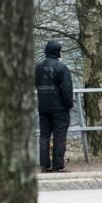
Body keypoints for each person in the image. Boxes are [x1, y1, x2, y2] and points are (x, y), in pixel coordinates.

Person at [35, 41, 74, 173]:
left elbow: (36, 85)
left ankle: (44, 165)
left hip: (43, 107)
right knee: (59, 135)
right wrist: (69, 104)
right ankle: (58, 165)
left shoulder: (38, 68)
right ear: (58, 52)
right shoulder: (61, 68)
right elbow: (67, 89)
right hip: (59, 108)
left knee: (44, 136)